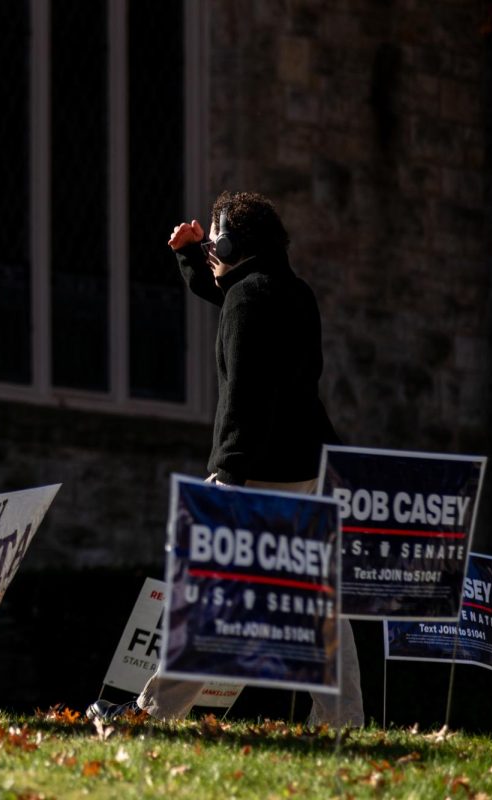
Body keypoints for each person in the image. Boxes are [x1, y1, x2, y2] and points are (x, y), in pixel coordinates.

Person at [93, 191, 364, 727]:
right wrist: (192, 256)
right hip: (307, 468)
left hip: (256, 473)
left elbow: (245, 390)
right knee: (320, 603)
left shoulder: (249, 299)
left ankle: (153, 713)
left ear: (237, 245)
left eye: (217, 242)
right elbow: (230, 297)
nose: (212, 250)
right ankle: (344, 719)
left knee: (208, 595)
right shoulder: (290, 291)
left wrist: (227, 473)